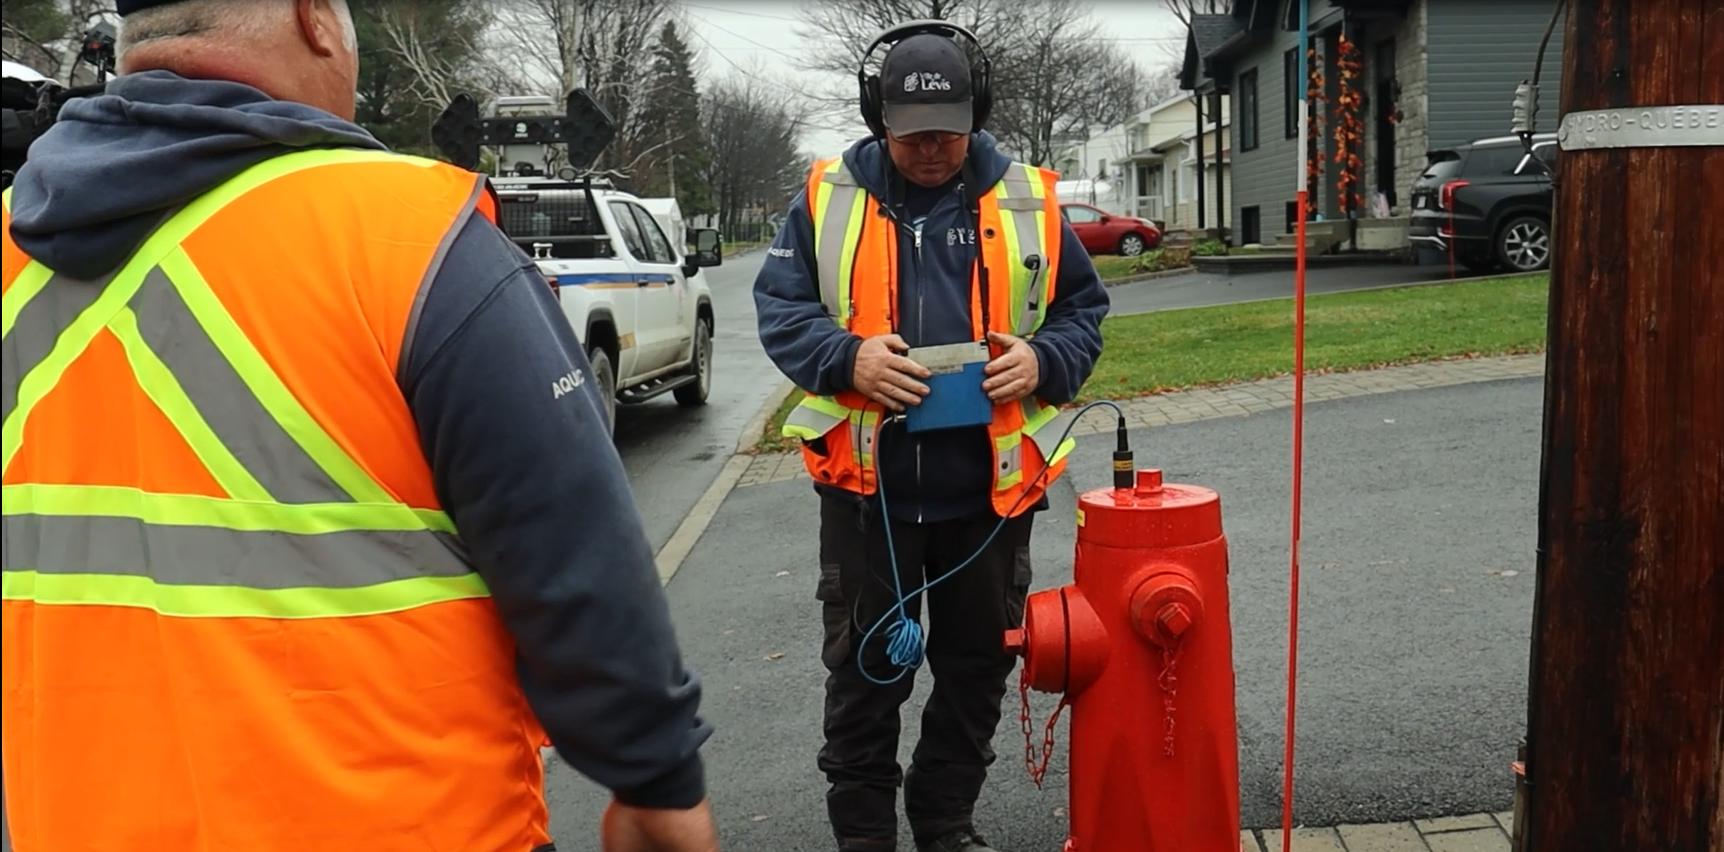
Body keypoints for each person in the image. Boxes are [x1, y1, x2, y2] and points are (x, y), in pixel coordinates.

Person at [0, 1, 718, 850]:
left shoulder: (16, 250)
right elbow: (575, 554)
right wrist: (654, 776)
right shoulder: (407, 240)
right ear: (315, 18)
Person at [753, 20, 1109, 852]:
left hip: (988, 494)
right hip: (867, 493)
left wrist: (1043, 359)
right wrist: (848, 359)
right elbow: (781, 311)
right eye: (912, 136)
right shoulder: (825, 197)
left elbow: (1082, 313)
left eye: (949, 131)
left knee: (978, 669)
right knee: (867, 676)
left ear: (977, 112)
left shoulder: (1028, 198)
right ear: (879, 120)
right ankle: (866, 838)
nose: (931, 150)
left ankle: (945, 824)